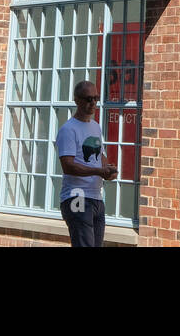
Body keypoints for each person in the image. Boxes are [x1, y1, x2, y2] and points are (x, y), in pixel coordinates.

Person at [56, 80, 117, 247]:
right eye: (88, 99)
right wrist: (99, 172)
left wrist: (108, 170)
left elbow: (100, 155)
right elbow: (68, 166)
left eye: (96, 98)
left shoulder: (95, 127)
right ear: (77, 100)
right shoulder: (68, 129)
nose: (93, 103)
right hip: (76, 195)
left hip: (96, 197)